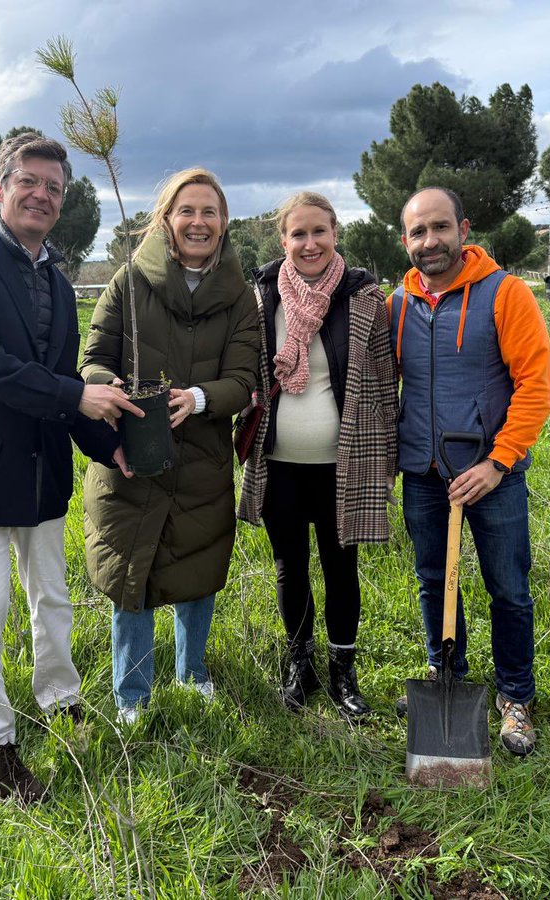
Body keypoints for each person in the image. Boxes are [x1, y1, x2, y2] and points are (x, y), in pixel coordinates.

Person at [0, 133, 141, 801]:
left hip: (41, 478)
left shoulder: (57, 283)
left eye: (54, 188)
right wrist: (76, 396)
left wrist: (109, 445)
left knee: (54, 604)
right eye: (29, 182)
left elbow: (60, 380)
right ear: (0, 188)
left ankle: (62, 705)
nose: (41, 195)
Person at [80, 168, 260, 723]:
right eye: (187, 210)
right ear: (165, 219)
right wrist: (108, 384)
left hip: (202, 458)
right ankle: (132, 694)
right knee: (131, 574)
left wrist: (200, 398)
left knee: (197, 570)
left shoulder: (240, 298)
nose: (198, 222)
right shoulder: (129, 281)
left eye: (209, 212)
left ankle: (193, 673)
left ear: (224, 222)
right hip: (133, 454)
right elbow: (93, 357)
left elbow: (244, 378)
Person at [390, 187, 550, 756]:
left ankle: (516, 696)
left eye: (440, 227)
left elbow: (536, 385)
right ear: (405, 240)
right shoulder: (397, 305)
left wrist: (497, 462)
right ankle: (445, 674)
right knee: (433, 579)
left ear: (463, 230)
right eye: (418, 232)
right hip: (424, 472)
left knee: (508, 588)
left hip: (492, 475)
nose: (430, 241)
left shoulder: (506, 294)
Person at [237, 192, 398, 720]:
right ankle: (299, 663)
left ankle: (342, 672)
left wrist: (387, 459)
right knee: (290, 567)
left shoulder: (364, 297)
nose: (310, 243)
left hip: (343, 465)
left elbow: (385, 381)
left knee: (341, 567)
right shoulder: (262, 298)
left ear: (335, 233)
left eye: (319, 232)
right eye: (298, 234)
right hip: (279, 464)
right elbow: (245, 373)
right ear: (283, 240)